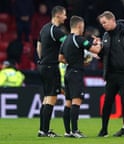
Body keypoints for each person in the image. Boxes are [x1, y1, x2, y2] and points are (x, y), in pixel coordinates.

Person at [59, 16, 102, 138]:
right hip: (76, 74)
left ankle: (67, 132)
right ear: (79, 26)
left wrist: (75, 62)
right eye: (82, 26)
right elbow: (96, 50)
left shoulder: (66, 40)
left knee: (68, 103)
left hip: (68, 73)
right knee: (76, 101)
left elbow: (60, 58)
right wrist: (98, 42)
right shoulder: (79, 39)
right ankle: (75, 130)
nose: (83, 29)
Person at [37, 5, 67, 137]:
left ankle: (42, 129)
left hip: (43, 65)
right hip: (50, 66)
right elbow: (69, 44)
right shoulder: (56, 31)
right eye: (64, 14)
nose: (66, 17)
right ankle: (44, 131)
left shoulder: (44, 28)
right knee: (51, 98)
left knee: (46, 98)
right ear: (58, 15)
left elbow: (39, 46)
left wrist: (43, 58)